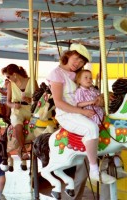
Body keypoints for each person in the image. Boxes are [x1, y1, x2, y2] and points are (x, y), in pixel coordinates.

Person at [47, 43, 116, 184]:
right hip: (66, 114)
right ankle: (94, 170)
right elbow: (59, 102)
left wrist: (99, 98)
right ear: (68, 55)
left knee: (110, 124)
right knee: (92, 128)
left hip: (81, 111)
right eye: (76, 59)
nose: (77, 63)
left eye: (81, 62)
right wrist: (82, 111)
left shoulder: (77, 74)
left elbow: (85, 91)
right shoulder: (57, 74)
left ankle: (115, 160)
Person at [1, 64, 38, 160]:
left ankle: (40, 146)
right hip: (17, 110)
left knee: (38, 124)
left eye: (8, 76)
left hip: (31, 110)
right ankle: (22, 150)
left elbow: (39, 99)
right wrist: (13, 105)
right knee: (18, 126)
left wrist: (29, 100)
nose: (8, 79)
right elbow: (8, 102)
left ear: (14, 74)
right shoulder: (10, 85)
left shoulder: (32, 82)